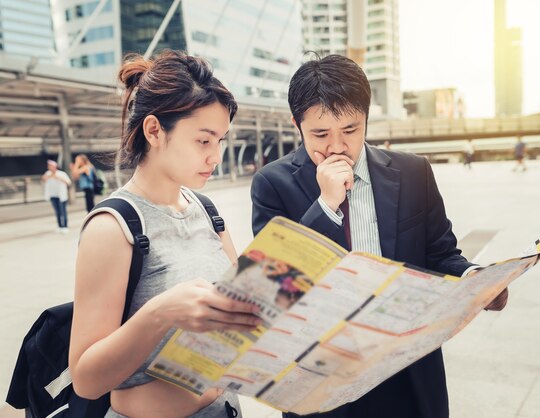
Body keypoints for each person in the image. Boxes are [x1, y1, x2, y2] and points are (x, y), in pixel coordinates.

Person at [250, 54, 508, 418]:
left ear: (367, 120)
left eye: (351, 130)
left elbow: (441, 253)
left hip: (407, 373)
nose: (337, 146)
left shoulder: (413, 171)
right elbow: (275, 282)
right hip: (323, 382)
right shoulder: (273, 184)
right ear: (297, 125)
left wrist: (475, 280)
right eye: (321, 134)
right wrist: (326, 204)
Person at [69, 50, 263, 418]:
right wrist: (160, 313)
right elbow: (86, 379)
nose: (216, 156)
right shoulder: (113, 226)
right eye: (204, 141)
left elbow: (240, 316)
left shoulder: (207, 211)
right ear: (155, 130)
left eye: (220, 140)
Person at [42, 159, 71, 233]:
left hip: (61, 196)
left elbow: (68, 182)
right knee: (57, 211)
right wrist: (50, 175)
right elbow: (43, 179)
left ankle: (65, 226)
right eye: (49, 166)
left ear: (55, 166)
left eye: (51, 166)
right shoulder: (48, 173)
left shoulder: (61, 173)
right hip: (53, 195)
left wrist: (57, 177)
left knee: (63, 211)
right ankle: (59, 226)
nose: (49, 167)